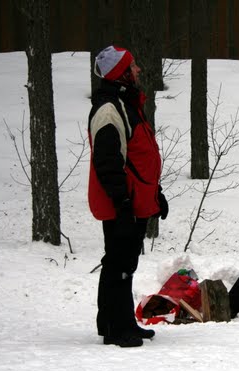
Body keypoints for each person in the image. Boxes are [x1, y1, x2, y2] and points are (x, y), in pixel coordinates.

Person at [88, 45, 168, 347]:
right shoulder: (110, 109)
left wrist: (155, 194)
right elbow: (108, 162)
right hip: (122, 203)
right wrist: (122, 202)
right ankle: (115, 327)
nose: (138, 70)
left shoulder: (126, 103)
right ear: (120, 73)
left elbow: (139, 156)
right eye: (132, 66)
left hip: (134, 200)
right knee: (119, 264)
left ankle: (119, 321)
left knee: (123, 263)